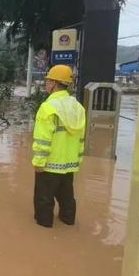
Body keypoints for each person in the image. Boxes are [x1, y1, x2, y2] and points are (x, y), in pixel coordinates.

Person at [32, 65, 86, 228]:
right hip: (69, 164)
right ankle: (68, 221)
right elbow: (81, 138)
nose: (46, 84)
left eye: (47, 81)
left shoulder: (47, 107)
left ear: (54, 83)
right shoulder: (78, 107)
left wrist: (39, 162)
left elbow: (43, 139)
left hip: (50, 163)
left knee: (44, 198)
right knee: (67, 197)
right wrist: (78, 159)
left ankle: (44, 226)